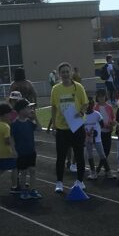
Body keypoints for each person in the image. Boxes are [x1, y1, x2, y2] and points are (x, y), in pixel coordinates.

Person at [51, 62, 89, 193]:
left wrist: (81, 112)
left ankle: (80, 181)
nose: (66, 74)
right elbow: (54, 107)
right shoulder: (55, 89)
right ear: (59, 74)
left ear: (71, 72)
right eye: (63, 72)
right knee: (61, 157)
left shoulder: (78, 87)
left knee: (79, 155)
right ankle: (59, 182)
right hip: (62, 128)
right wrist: (54, 124)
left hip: (76, 126)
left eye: (67, 71)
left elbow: (85, 103)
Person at [10, 98, 42, 200]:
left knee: (32, 170)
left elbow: (39, 129)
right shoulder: (15, 124)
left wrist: (35, 117)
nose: (30, 110)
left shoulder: (29, 122)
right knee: (23, 172)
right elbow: (11, 138)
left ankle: (33, 190)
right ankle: (23, 191)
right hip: (21, 152)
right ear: (21, 110)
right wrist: (13, 150)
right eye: (28, 108)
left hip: (31, 151)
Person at [84, 97, 113, 180]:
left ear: (93, 105)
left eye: (91, 104)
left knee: (102, 154)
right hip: (88, 139)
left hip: (97, 138)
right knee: (90, 155)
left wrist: (96, 132)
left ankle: (108, 172)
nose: (90, 106)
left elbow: (102, 125)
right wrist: (87, 134)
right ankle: (93, 173)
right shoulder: (83, 115)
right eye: (88, 104)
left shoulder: (97, 114)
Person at [0, 103, 19, 194]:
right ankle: (14, 186)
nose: (10, 115)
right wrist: (14, 150)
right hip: (7, 152)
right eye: (9, 114)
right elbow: (7, 141)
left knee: (2, 169)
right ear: (5, 114)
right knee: (15, 168)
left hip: (0, 151)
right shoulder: (6, 127)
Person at [95, 89, 116, 177]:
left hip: (108, 131)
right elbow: (95, 120)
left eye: (102, 96)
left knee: (106, 151)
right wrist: (104, 125)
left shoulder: (109, 107)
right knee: (102, 152)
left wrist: (113, 122)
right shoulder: (95, 108)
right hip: (100, 133)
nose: (101, 98)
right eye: (99, 96)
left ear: (105, 97)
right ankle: (103, 170)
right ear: (97, 97)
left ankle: (100, 169)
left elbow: (113, 117)